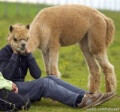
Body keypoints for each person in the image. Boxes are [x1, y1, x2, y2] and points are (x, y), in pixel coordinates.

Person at [0, 44, 115, 109]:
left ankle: (88, 95)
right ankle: (79, 101)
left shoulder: (25, 52)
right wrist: (14, 55)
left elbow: (36, 75)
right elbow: (5, 76)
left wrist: (29, 55)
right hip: (10, 88)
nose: (23, 43)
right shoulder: (5, 52)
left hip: (20, 85)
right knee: (45, 84)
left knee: (51, 78)